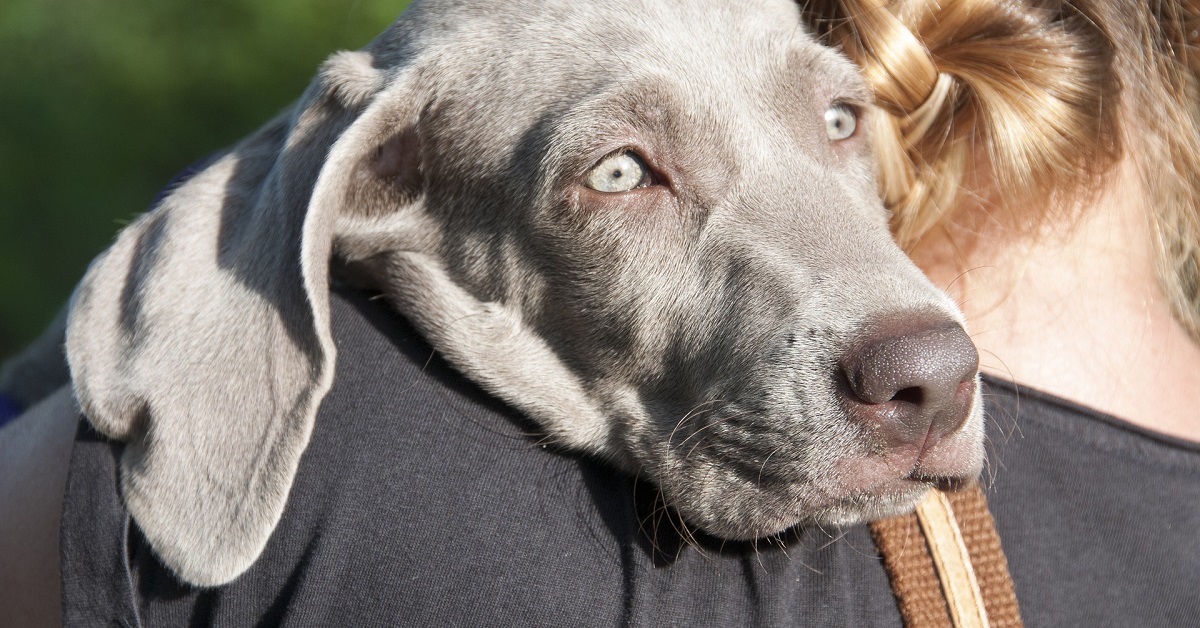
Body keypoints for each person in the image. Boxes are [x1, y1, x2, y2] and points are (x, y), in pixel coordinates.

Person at [2, 0, 1198, 625]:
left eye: (834, 122)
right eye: (621, 172)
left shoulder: (349, 497)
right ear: (378, 187)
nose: (917, 340)